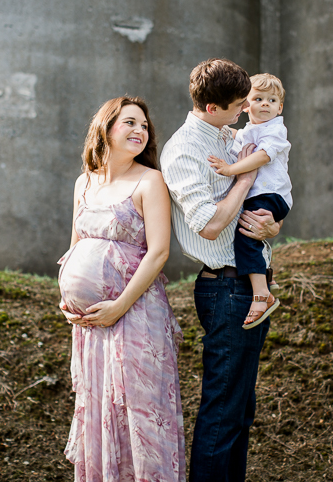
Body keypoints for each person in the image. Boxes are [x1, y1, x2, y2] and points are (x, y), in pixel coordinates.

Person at [161, 58, 282, 482]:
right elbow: (211, 225)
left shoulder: (229, 135)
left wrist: (273, 225)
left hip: (247, 282)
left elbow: (264, 203)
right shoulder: (183, 150)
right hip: (225, 290)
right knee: (223, 411)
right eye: (238, 106)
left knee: (239, 410)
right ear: (212, 108)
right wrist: (244, 180)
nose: (246, 110)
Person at [57, 97, 184, 482]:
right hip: (92, 328)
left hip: (137, 317)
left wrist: (118, 306)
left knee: (140, 416)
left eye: (144, 126)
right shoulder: (85, 181)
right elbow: (75, 245)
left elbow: (159, 252)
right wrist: (66, 299)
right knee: (99, 414)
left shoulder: (150, 180)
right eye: (129, 122)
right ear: (106, 128)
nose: (139, 131)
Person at [206, 73, 292, 329]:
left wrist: (233, 170)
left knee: (246, 236)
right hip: (260, 194)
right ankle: (265, 276)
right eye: (258, 98)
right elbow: (237, 141)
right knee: (250, 231)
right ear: (246, 105)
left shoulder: (275, 129)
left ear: (280, 107)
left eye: (272, 100)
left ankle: (261, 295)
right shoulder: (247, 131)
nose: (265, 104)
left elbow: (263, 156)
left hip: (271, 194)